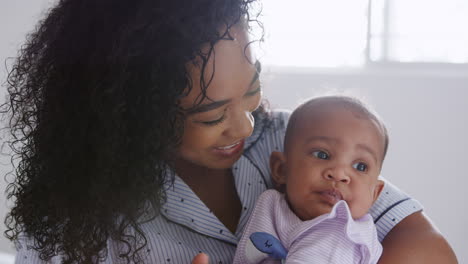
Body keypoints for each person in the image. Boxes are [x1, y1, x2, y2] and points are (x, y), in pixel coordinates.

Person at [1, 0, 457, 263]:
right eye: (211, 116)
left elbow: (430, 249)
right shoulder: (72, 221)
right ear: (124, 114)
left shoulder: (293, 141)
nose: (245, 125)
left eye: (252, 89)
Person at [233, 96, 387, 263]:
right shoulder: (274, 207)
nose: (339, 174)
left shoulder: (339, 231)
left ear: (375, 194)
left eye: (360, 167)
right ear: (281, 169)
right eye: (322, 155)